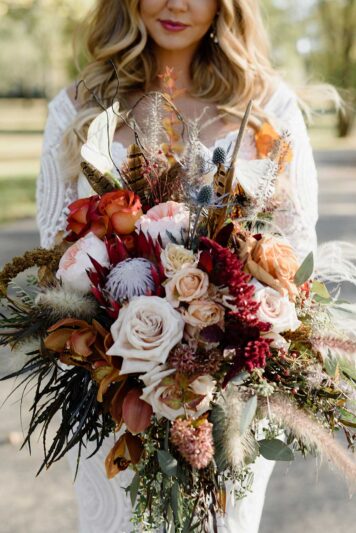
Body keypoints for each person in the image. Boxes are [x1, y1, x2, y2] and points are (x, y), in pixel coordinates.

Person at [36, 1, 320, 531]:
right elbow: (55, 247)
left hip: (231, 402)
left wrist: (217, 342)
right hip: (116, 403)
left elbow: (295, 249)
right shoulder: (77, 105)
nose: (177, 4)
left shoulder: (269, 107)